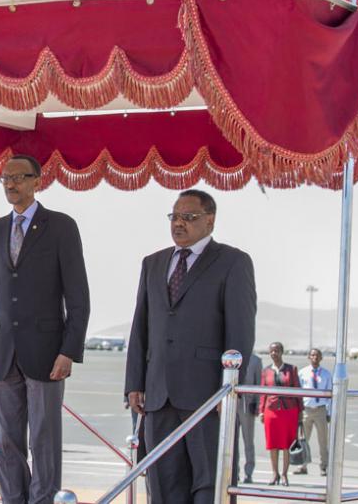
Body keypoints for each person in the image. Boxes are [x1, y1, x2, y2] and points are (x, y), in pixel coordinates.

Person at [125, 189, 256, 503]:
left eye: (189, 217)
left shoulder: (232, 262)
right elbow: (141, 327)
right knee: (162, 484)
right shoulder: (153, 263)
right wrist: (135, 383)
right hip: (158, 398)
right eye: (174, 216)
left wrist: (229, 389)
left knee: (210, 483)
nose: (179, 224)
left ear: (209, 221)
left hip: (208, 398)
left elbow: (240, 332)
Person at [0, 154, 90, 504]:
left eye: (19, 177)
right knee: (6, 440)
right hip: (3, 353)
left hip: (47, 354)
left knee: (43, 438)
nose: (11, 184)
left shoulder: (61, 226)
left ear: (37, 180)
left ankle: (42, 500)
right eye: (5, 179)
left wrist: (70, 350)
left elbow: (78, 296)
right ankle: (13, 499)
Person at [259, 341, 302, 487]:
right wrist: (261, 411)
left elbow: (298, 391)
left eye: (276, 351)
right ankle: (274, 473)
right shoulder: (266, 371)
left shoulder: (292, 369)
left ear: (281, 352)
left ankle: (284, 474)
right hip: (271, 411)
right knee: (272, 444)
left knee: (287, 444)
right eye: (271, 351)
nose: (273, 353)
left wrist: (301, 411)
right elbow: (263, 393)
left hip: (289, 411)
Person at [295, 348, 332, 476]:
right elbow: (298, 392)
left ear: (321, 358)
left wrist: (329, 412)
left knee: (323, 440)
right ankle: (302, 465)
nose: (315, 357)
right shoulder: (302, 373)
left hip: (320, 410)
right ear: (309, 357)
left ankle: (324, 466)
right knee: (303, 439)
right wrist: (298, 410)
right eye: (312, 355)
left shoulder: (326, 374)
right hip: (306, 410)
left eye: (317, 355)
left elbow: (330, 394)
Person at [235, 352, 263, 484]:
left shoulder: (256, 360)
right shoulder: (233, 357)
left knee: (248, 441)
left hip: (247, 403)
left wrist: (257, 405)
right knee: (232, 442)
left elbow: (258, 384)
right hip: (233, 402)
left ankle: (249, 472)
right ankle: (235, 472)